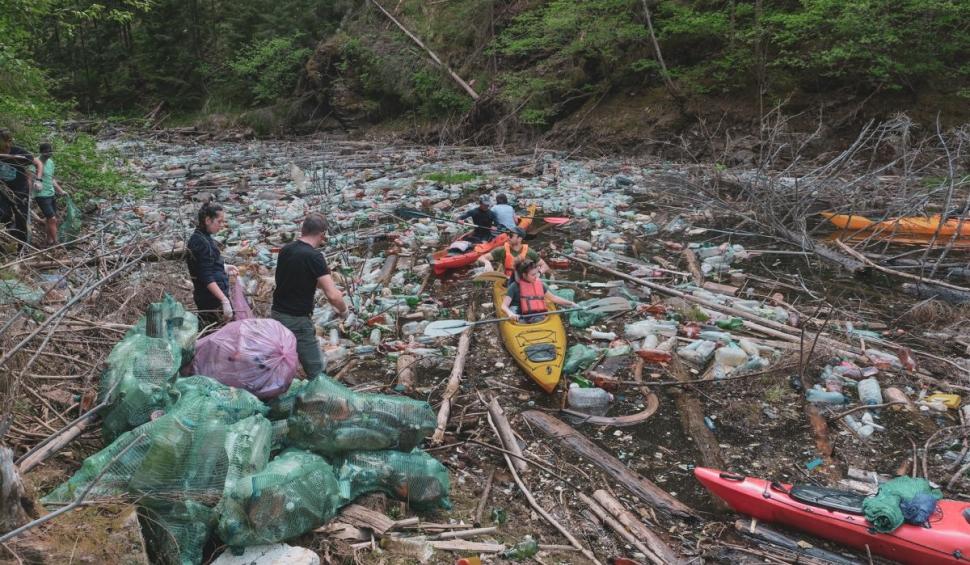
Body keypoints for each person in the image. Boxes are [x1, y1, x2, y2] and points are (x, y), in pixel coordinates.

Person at [272, 212, 349, 378]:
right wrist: (344, 311)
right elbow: (333, 296)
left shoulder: (286, 250)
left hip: (277, 314)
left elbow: (301, 277)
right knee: (317, 371)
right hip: (297, 320)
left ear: (303, 230)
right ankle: (324, 401)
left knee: (282, 360)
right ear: (322, 234)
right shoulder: (314, 256)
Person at [187, 202, 237, 329]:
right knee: (215, 336)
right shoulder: (200, 242)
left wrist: (224, 267)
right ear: (208, 220)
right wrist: (224, 300)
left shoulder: (205, 237)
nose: (221, 225)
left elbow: (206, 265)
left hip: (215, 297)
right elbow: (206, 276)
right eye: (219, 222)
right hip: (211, 301)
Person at [0, 129, 44, 250]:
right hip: (4, 191)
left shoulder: (18, 152)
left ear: (8, 141)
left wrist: (39, 180)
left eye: (4, 142)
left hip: (21, 191)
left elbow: (38, 163)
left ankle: (23, 248)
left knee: (22, 219)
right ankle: (11, 232)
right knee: (2, 214)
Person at [501, 258, 576, 324]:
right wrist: (510, 313)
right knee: (520, 321)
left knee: (538, 319)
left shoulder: (539, 284)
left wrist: (571, 303)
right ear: (524, 275)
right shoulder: (514, 286)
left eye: (537, 273)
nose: (536, 276)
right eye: (533, 275)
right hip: (518, 312)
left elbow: (554, 298)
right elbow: (504, 306)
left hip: (534, 314)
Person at [478, 226, 549, 279]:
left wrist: (539, 273)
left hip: (524, 281)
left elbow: (545, 266)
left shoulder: (529, 252)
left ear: (519, 239)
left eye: (511, 236)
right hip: (507, 280)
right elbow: (481, 258)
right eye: (508, 235)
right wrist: (487, 262)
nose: (508, 237)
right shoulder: (502, 250)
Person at [33, 142, 66, 246]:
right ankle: (56, 242)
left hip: (50, 194)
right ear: (41, 152)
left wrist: (61, 191)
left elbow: (52, 179)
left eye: (50, 151)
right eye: (46, 152)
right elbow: (29, 177)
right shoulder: (35, 162)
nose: (48, 153)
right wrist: (29, 194)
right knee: (52, 219)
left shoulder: (51, 162)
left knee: (49, 219)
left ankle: (49, 241)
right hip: (41, 195)